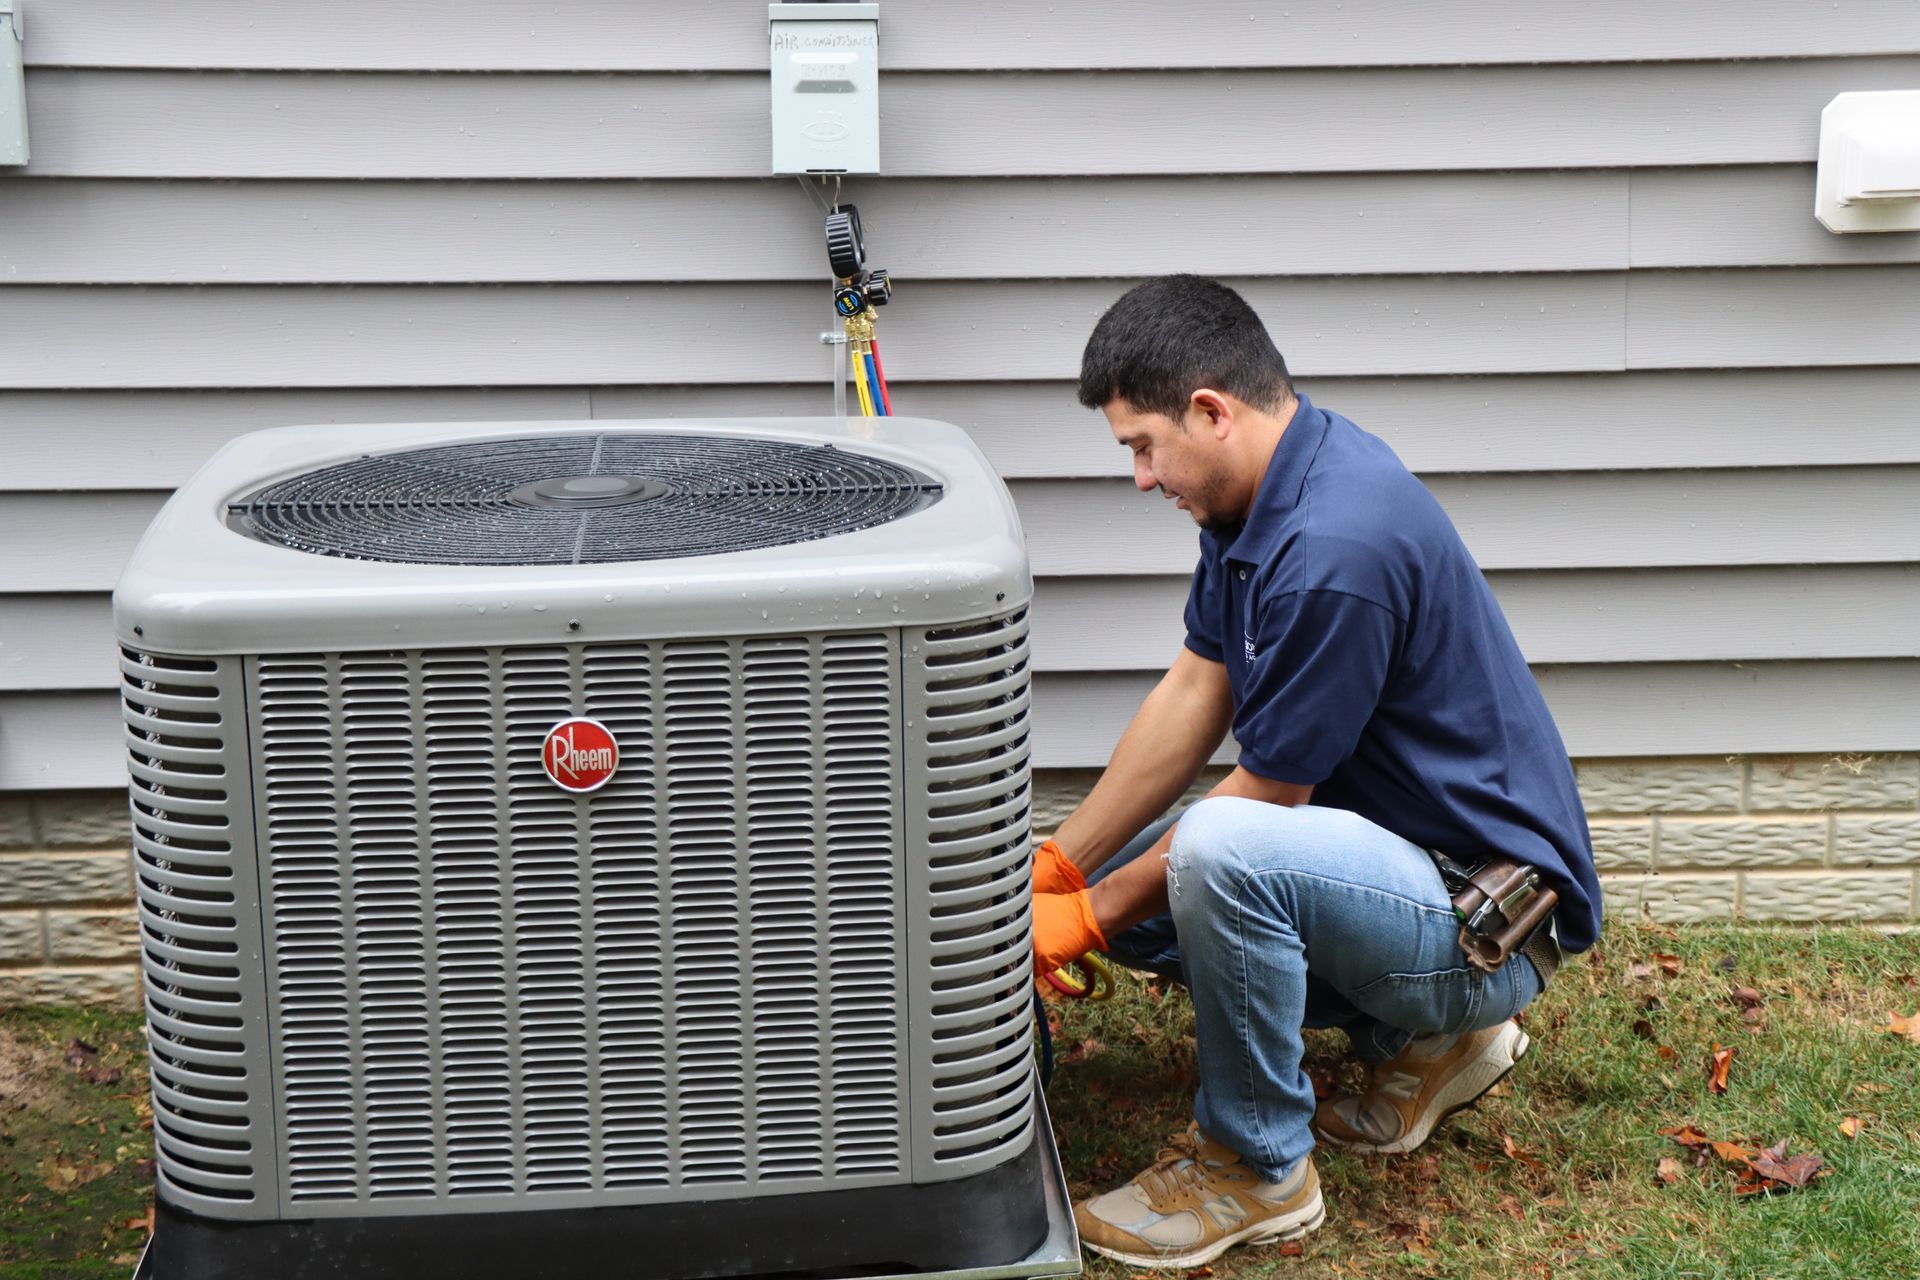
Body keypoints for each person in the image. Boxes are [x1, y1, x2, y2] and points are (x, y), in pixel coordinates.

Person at [1031, 275, 1603, 1268]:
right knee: (1140, 873)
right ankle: (1424, 1046)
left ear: (1209, 410)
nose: (1137, 474)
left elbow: (1267, 800)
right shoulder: (1259, 497)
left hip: (1487, 918)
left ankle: (1256, 1168)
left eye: (1141, 444)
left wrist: (1097, 908)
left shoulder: (1336, 544)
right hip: (1403, 863)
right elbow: (1192, 692)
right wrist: (1066, 867)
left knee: (1215, 852)